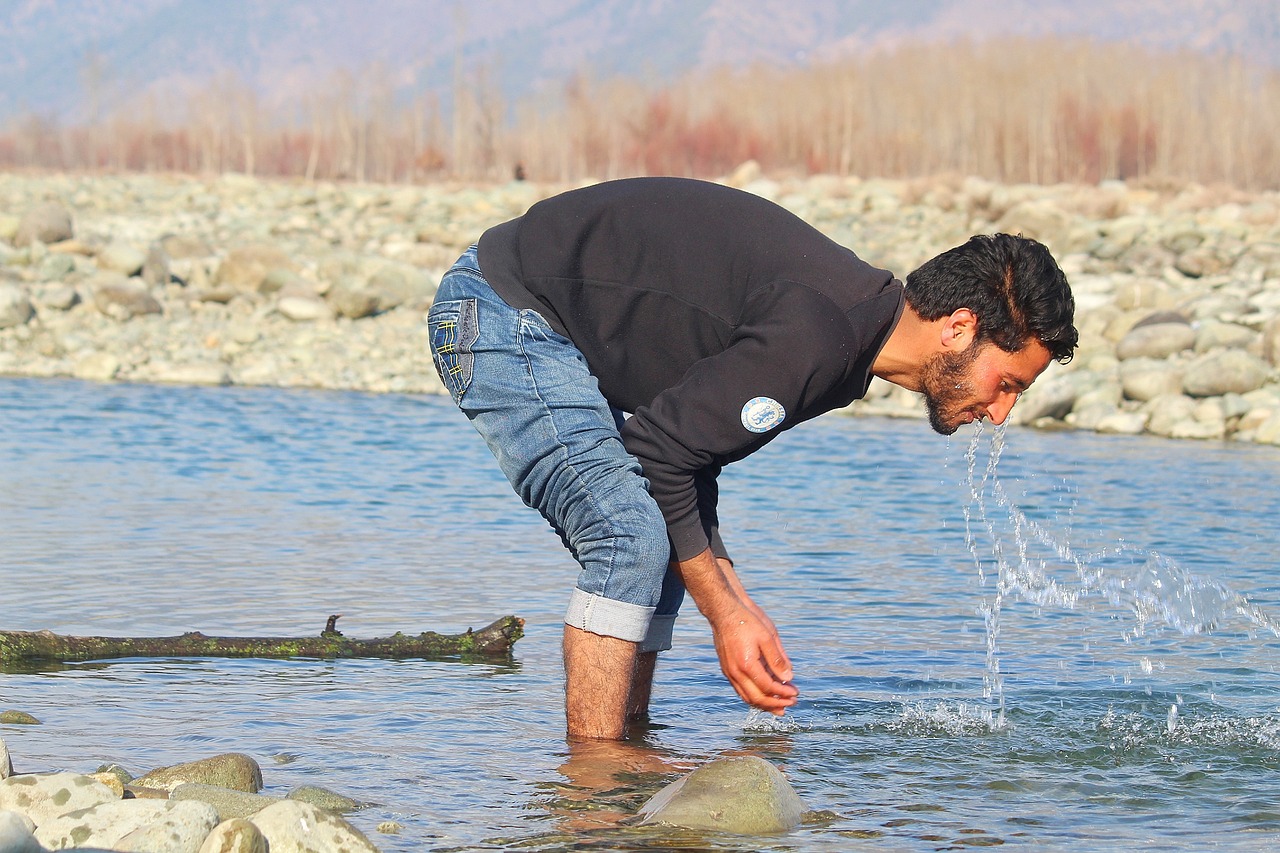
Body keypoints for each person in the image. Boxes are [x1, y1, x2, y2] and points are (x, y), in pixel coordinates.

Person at [427, 176, 1077, 741]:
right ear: (960, 327)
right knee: (627, 535)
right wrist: (725, 612)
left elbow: (685, 455)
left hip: (530, 319)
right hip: (500, 313)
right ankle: (595, 793)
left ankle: (629, 758)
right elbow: (656, 454)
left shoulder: (849, 338)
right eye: (1009, 383)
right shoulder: (822, 336)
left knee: (665, 544)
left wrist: (736, 596)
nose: (1001, 413)